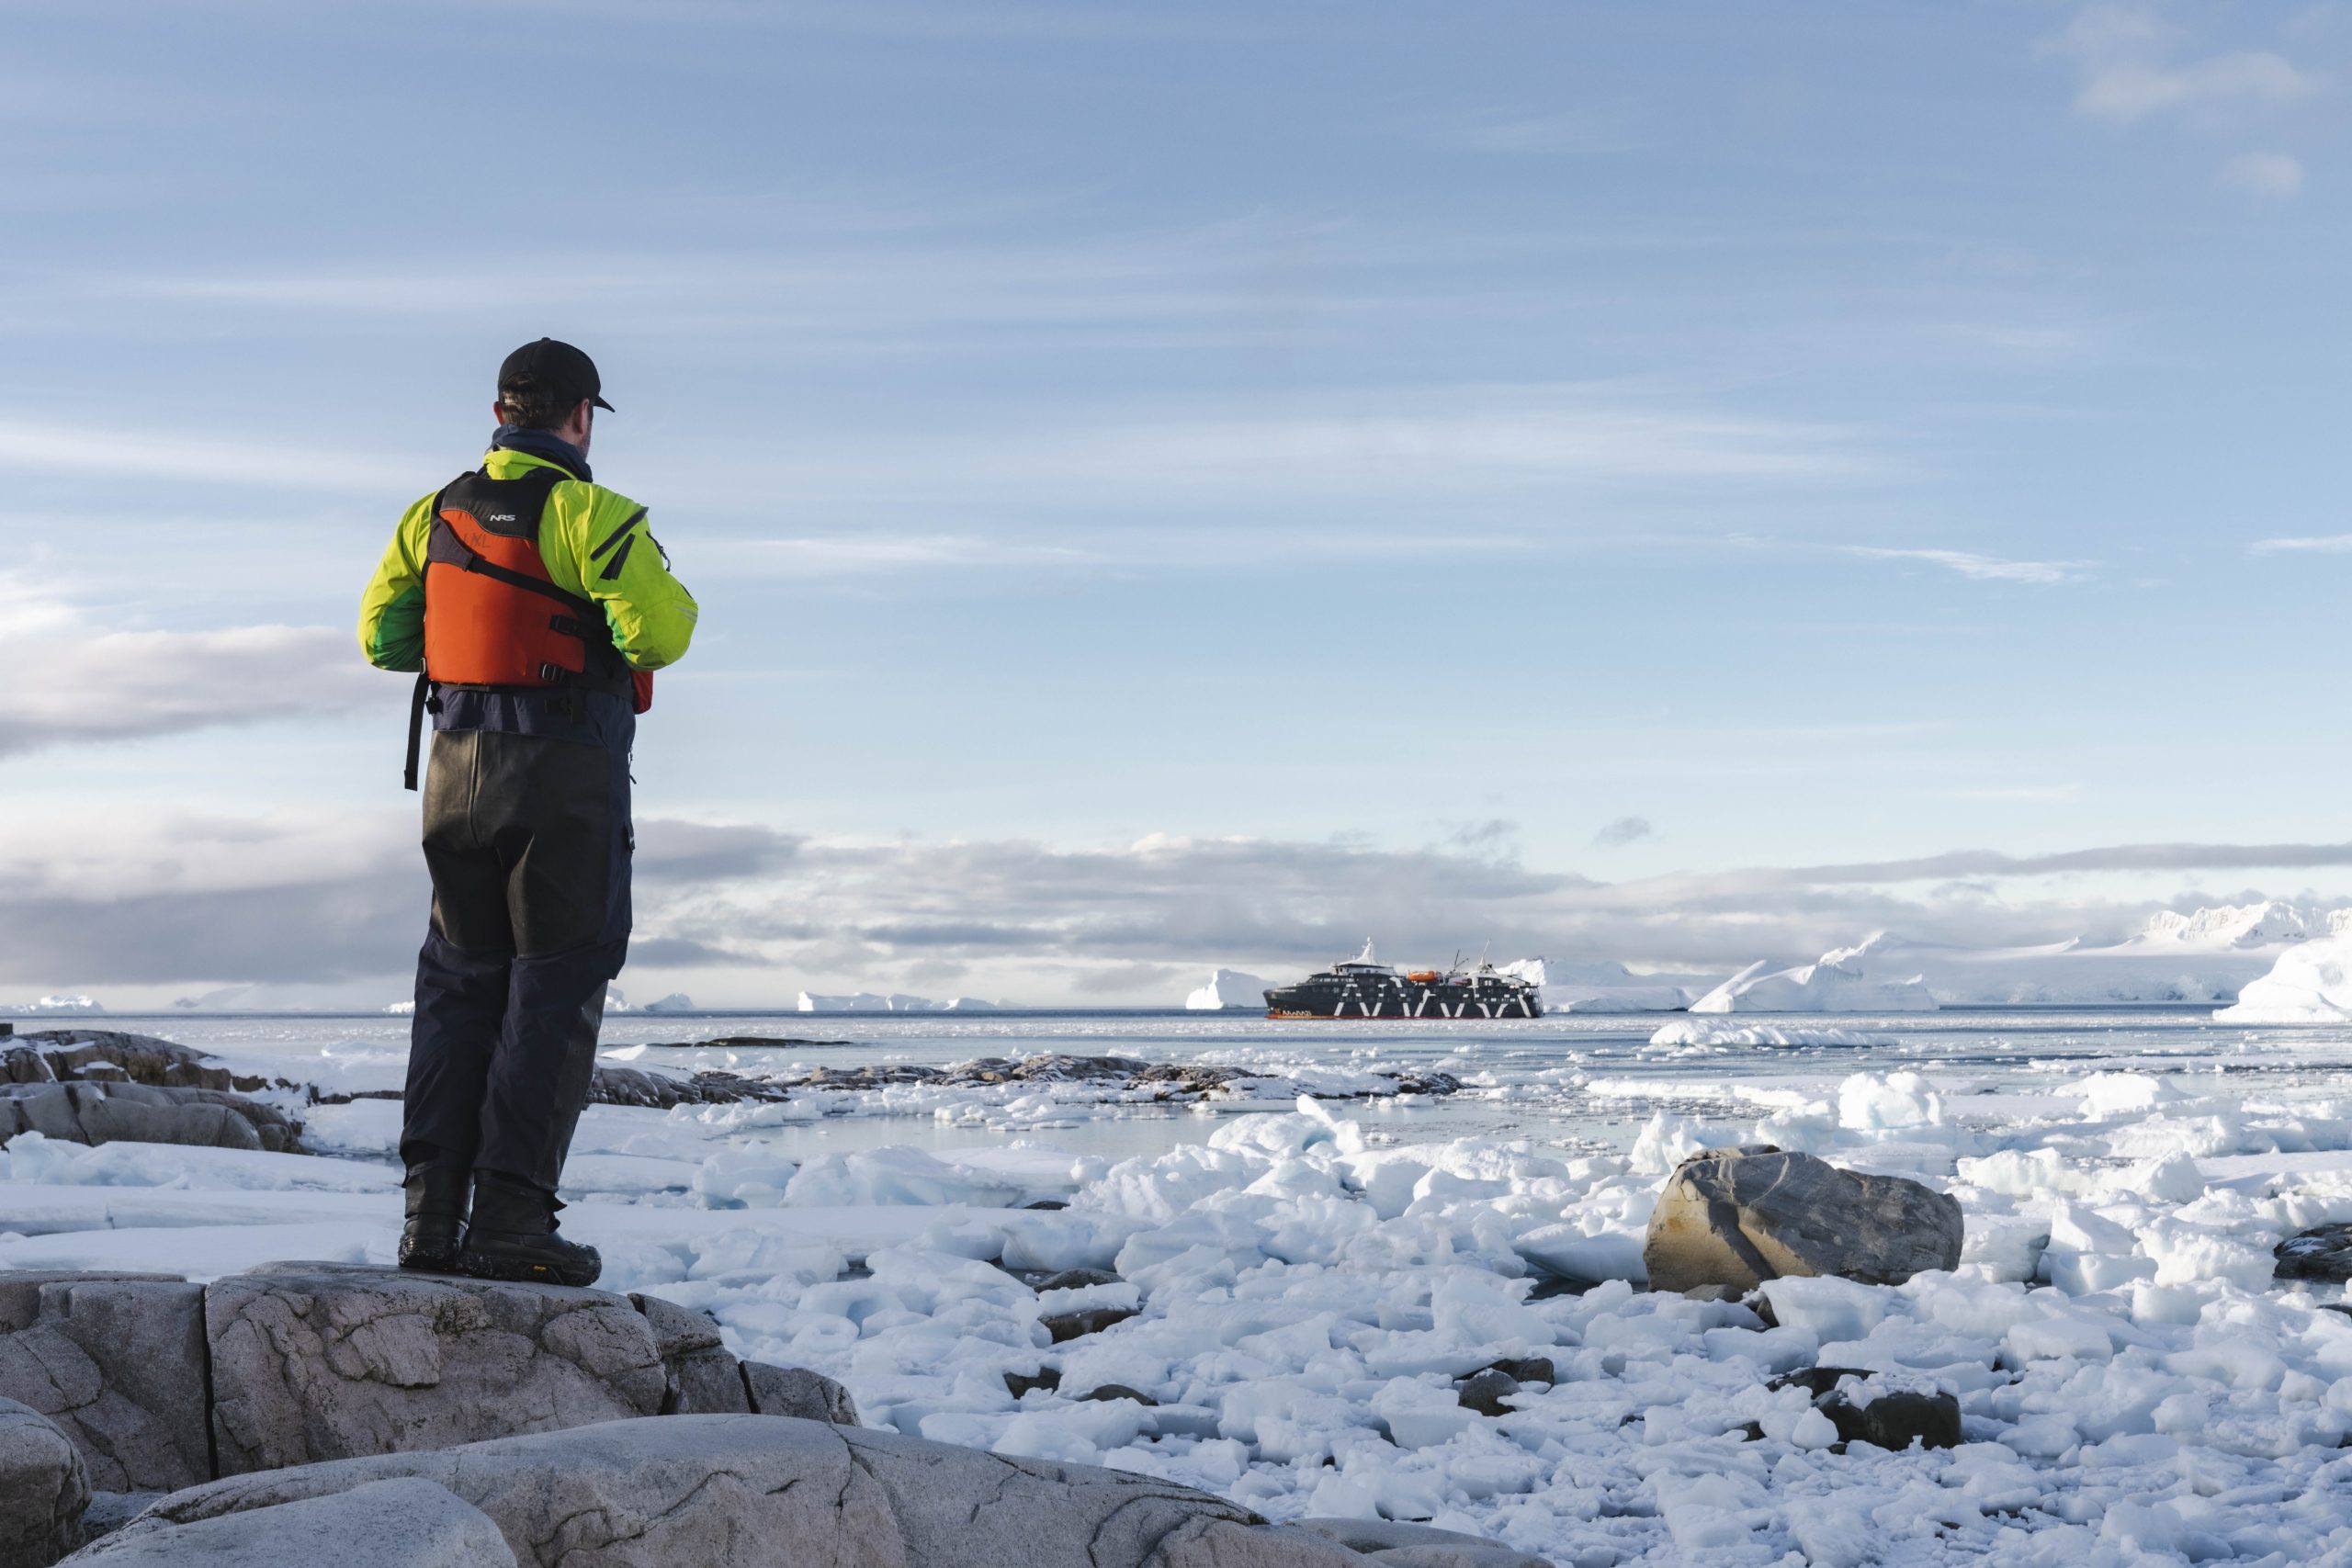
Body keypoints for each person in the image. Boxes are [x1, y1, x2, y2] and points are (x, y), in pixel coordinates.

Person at [357, 339, 697, 1285]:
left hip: (453, 770)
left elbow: (384, 639)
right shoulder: (596, 514)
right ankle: (511, 1223)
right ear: (581, 416)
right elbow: (659, 632)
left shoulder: (431, 514)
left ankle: (430, 1226)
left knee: (458, 982)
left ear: (503, 410)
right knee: (554, 981)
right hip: (562, 775)